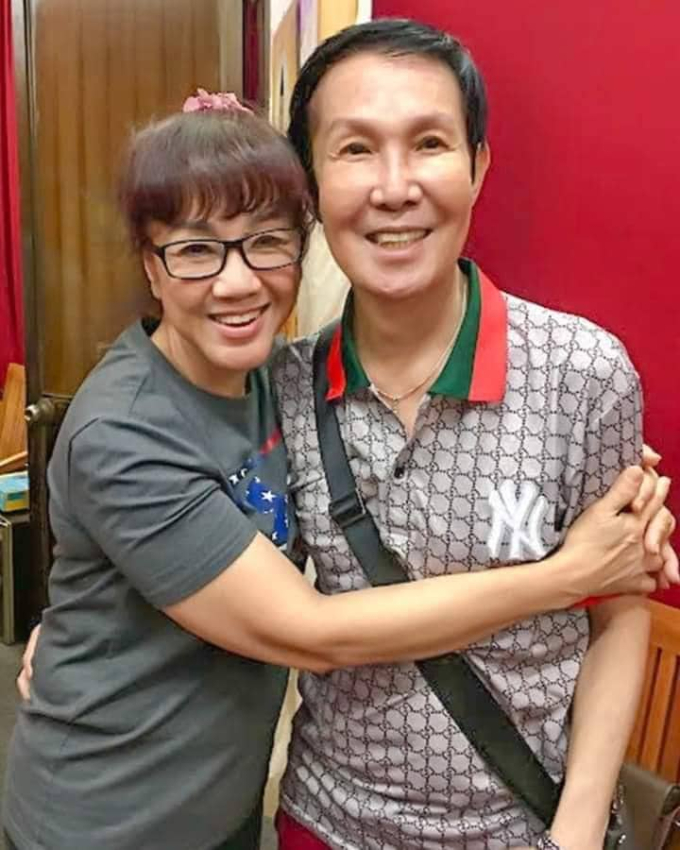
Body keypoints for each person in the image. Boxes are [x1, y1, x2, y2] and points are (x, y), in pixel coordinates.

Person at [6, 90, 673, 850]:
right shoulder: (125, 429)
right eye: (194, 251)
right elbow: (314, 632)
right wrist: (566, 575)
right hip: (105, 818)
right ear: (150, 266)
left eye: (267, 242)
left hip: (225, 808)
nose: (237, 282)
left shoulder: (277, 379)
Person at [270, 18, 679, 850]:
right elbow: (240, 586)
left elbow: (620, 611)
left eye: (429, 143)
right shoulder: (283, 388)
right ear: (310, 182)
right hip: (327, 819)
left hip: (522, 826)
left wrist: (574, 832)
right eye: (355, 149)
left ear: (478, 165)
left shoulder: (584, 373)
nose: (394, 188)